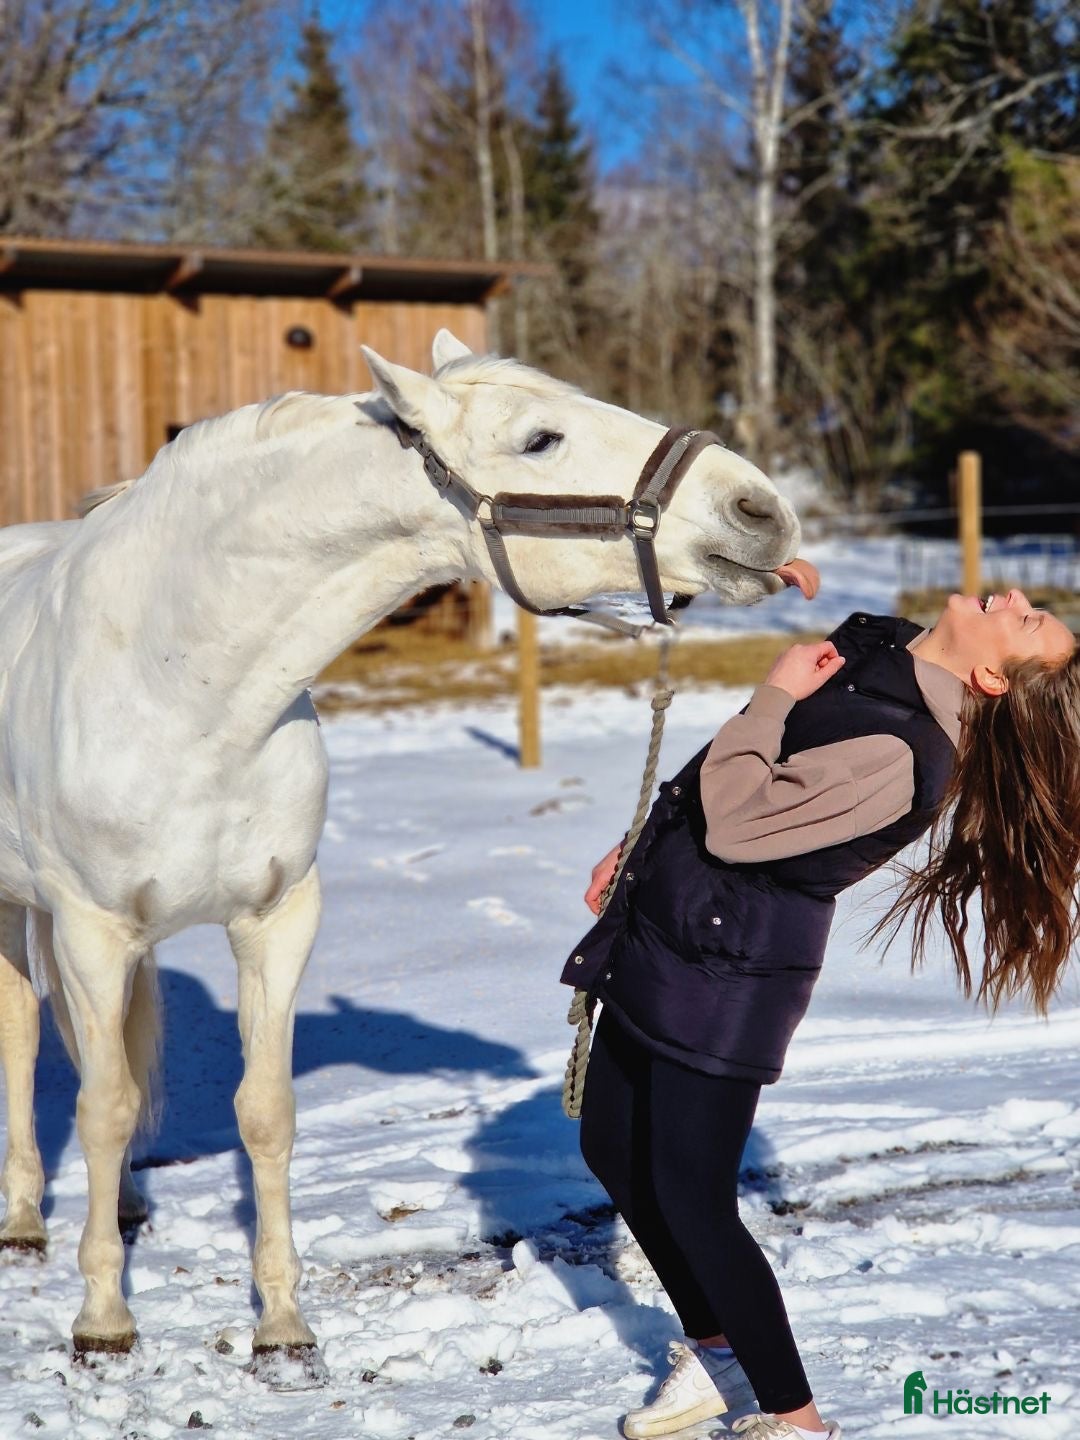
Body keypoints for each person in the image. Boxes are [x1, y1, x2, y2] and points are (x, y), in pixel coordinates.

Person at [561, 587, 1079, 1440]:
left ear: (990, 676)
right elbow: (731, 775)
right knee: (611, 1145)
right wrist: (645, 841)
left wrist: (773, 692)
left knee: (692, 1197)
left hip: (730, 971)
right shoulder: (891, 659)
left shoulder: (904, 751)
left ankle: (795, 1419)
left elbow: (737, 819)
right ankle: (718, 1356)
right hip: (674, 927)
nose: (1016, 596)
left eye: (1025, 620)